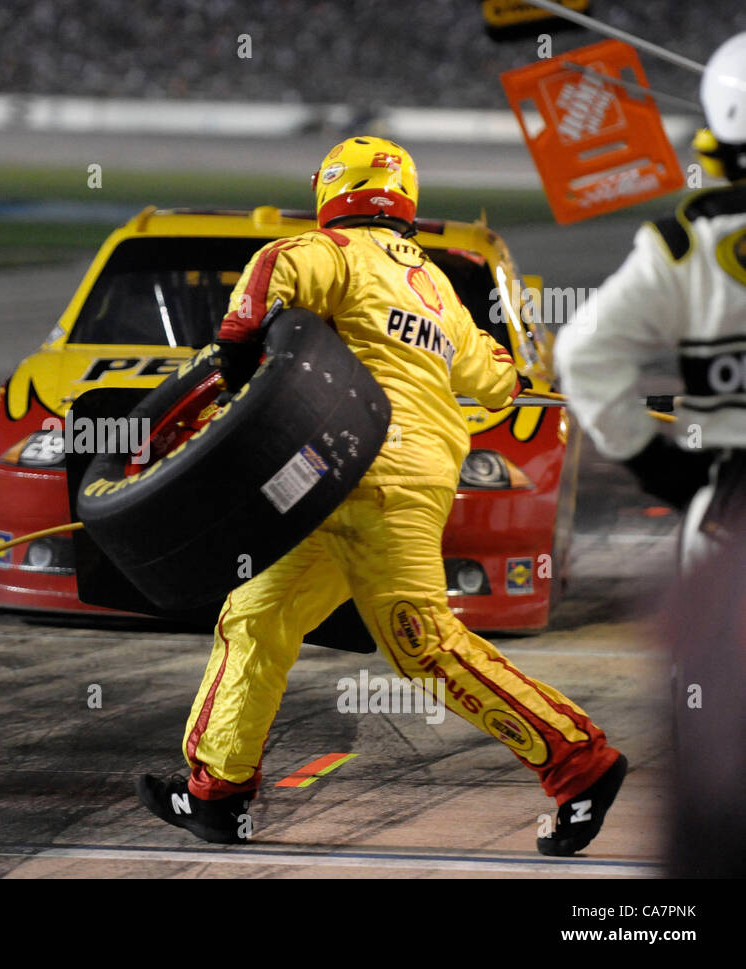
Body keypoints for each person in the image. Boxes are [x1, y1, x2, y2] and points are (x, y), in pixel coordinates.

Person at [136, 135, 626, 856]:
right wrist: (525, 381)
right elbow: (497, 374)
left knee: (423, 644)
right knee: (258, 615)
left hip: (352, 471)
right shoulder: (435, 288)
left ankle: (580, 763)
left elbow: (272, 266)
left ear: (335, 191)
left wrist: (239, 342)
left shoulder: (334, 253)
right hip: (402, 482)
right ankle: (217, 797)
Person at [555, 32, 746, 572]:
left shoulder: (685, 247)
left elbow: (582, 354)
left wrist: (656, 466)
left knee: (718, 658)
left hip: (731, 517)